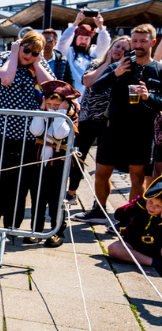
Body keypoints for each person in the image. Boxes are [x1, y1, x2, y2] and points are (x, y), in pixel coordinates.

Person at [75, 24, 162, 224]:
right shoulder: (120, 65)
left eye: (143, 41)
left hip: (142, 132)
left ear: (152, 43)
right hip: (113, 129)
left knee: (137, 177)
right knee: (102, 173)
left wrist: (149, 97)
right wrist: (116, 72)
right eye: (135, 40)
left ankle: (130, 218)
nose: (138, 45)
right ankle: (99, 210)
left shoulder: (158, 70)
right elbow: (95, 88)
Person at [0, 31, 55, 232]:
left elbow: (51, 89)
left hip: (27, 135)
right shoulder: (1, 57)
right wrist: (14, 54)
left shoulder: (38, 63)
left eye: (34, 52)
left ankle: (13, 223)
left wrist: (38, 63)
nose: (29, 54)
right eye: (27, 49)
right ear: (19, 45)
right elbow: (5, 79)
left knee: (19, 182)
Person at [65, 36, 130, 206]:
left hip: (108, 124)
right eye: (117, 46)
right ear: (110, 47)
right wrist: (107, 63)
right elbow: (87, 82)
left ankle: (98, 204)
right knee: (78, 158)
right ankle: (71, 192)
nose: (119, 50)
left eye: (124, 48)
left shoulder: (128, 70)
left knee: (103, 166)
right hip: (88, 119)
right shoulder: (96, 63)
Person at [28, 80, 80, 247]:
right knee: (38, 198)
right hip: (40, 163)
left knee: (56, 200)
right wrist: (42, 111)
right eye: (49, 103)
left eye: (56, 104)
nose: (52, 108)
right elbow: (35, 130)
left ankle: (57, 232)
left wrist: (61, 114)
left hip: (58, 164)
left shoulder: (69, 116)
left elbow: (59, 134)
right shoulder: (45, 112)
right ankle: (36, 230)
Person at [107, 175, 162, 271]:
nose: (152, 207)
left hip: (156, 249)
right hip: (135, 244)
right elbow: (119, 215)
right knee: (114, 249)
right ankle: (154, 262)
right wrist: (138, 204)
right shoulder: (141, 205)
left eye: (158, 206)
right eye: (151, 202)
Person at [56, 12, 110, 99]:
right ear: (75, 38)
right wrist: (76, 22)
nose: (83, 41)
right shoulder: (68, 52)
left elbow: (105, 46)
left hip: (90, 99)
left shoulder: (94, 52)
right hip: (70, 98)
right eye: (81, 38)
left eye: (86, 39)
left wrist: (100, 26)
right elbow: (63, 42)